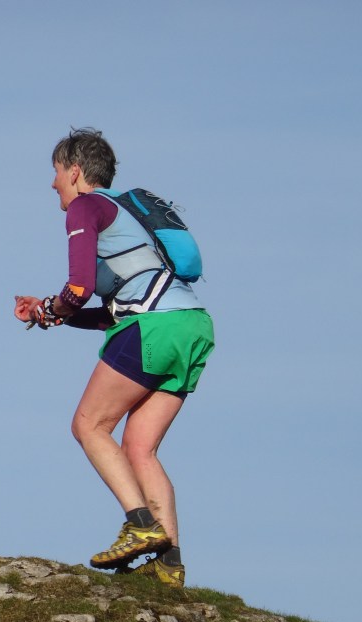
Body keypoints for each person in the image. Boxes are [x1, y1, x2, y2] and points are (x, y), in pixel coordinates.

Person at [14, 128, 214, 587]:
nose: (53, 183)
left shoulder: (85, 208)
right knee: (140, 447)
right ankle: (169, 566)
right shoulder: (126, 218)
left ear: (75, 172)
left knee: (89, 426)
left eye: (56, 172)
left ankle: (140, 525)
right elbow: (111, 313)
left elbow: (78, 288)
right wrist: (49, 314)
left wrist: (54, 308)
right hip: (191, 326)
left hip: (155, 326)